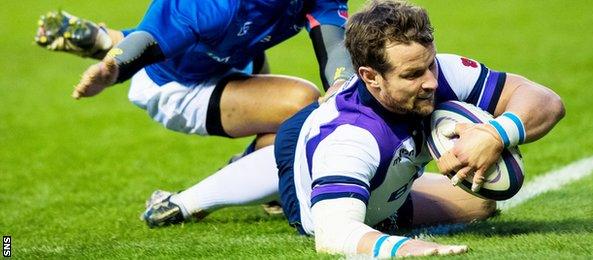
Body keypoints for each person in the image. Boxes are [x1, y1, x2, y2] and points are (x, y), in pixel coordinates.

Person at [141, 0, 564, 257]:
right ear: (371, 76)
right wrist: (404, 248)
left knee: (480, 205)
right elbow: (333, 235)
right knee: (329, 196)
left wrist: (497, 133)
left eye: (431, 64)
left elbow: (545, 100)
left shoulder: (438, 71)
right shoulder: (352, 138)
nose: (432, 81)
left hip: (386, 186)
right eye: (414, 74)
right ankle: (182, 202)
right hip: (307, 153)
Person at [35, 0, 354, 157]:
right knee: (303, 106)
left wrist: (341, 87)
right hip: (176, 87)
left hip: (233, 59)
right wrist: (113, 68)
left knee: (326, 111)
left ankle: (104, 39)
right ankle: (193, 198)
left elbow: (334, 43)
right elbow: (150, 42)